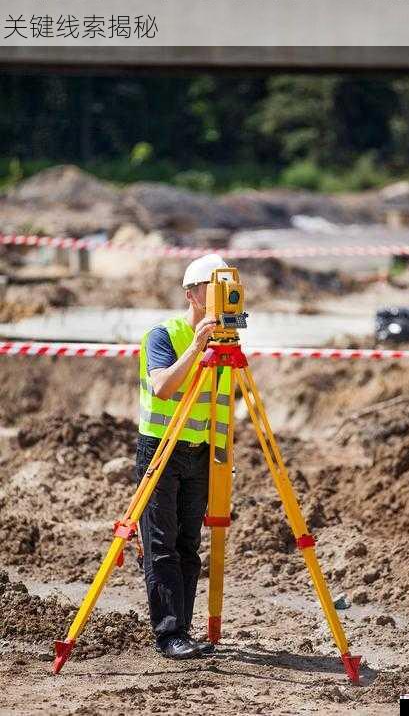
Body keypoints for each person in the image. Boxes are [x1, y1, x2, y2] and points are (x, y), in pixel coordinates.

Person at [135, 253, 231, 660]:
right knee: (161, 544)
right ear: (193, 295)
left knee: (189, 544)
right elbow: (162, 388)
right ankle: (168, 634)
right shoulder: (163, 334)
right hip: (161, 449)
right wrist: (197, 346)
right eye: (215, 288)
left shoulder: (226, 340)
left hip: (201, 452)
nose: (224, 297)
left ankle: (184, 633)